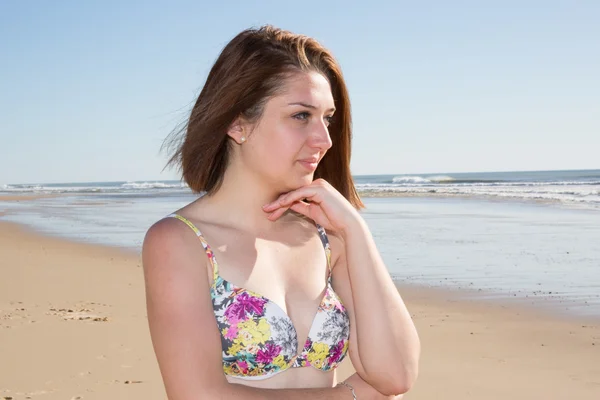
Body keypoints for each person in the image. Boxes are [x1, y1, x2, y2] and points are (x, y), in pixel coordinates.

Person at [142, 25, 420, 399]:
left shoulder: (329, 236)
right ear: (237, 123)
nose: (324, 139)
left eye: (328, 118)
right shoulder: (180, 242)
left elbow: (396, 374)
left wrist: (356, 232)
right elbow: (198, 395)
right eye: (301, 116)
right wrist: (350, 395)